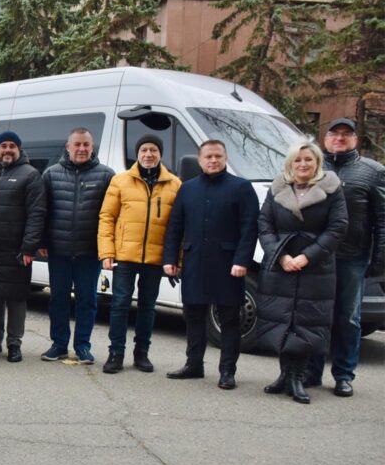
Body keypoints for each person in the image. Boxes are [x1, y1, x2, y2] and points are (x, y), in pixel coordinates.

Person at [254, 141, 347, 404]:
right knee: (282, 318)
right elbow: (264, 224)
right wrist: (280, 256)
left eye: (308, 160)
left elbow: (338, 228)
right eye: (298, 160)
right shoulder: (278, 188)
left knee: (306, 322)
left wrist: (307, 256)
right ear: (290, 163)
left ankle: (298, 378)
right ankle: (284, 374)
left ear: (317, 163)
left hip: (316, 266)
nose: (303, 164)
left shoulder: (331, 189)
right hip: (281, 263)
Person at [162, 140, 259, 388]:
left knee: (229, 319)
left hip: (229, 266)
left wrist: (242, 260)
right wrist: (170, 258)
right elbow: (175, 226)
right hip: (195, 262)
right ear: (200, 159)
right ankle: (194, 365)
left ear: (225, 158)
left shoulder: (241, 188)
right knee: (193, 316)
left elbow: (249, 229)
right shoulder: (188, 188)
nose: (213, 160)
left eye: (218, 156)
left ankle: (227, 371)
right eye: (208, 156)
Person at [304, 118, 385, 397]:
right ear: (325, 139)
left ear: (355, 140)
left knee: (348, 319)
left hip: (352, 257)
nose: (339, 138)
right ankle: (311, 372)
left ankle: (343, 375)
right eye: (334, 134)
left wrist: (379, 259)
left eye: (346, 134)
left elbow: (382, 219)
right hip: (315, 257)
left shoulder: (373, 172)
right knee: (316, 316)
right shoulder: (312, 165)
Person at [97, 135, 181, 375]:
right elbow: (107, 217)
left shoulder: (174, 184)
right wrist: (107, 252)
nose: (148, 154)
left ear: (160, 154)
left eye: (153, 150)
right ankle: (116, 353)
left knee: (147, 306)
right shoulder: (121, 180)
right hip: (124, 255)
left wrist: (174, 259)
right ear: (138, 153)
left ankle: (141, 353)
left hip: (155, 258)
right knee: (120, 304)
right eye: (144, 149)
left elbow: (178, 226)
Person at [40, 128, 115, 364]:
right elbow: (42, 210)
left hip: (89, 251)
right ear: (68, 146)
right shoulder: (51, 174)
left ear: (92, 147)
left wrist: (108, 249)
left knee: (87, 300)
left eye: (86, 144)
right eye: (77, 144)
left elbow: (112, 215)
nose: (82, 149)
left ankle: (83, 346)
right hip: (59, 250)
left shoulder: (106, 176)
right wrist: (41, 241)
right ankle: (59, 344)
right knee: (58, 299)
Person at [0, 131, 45, 363]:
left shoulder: (31, 175)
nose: (7, 149)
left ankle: (14, 343)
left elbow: (37, 214)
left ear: (19, 149)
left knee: (16, 297)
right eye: (3, 145)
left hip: (17, 250)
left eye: (12, 146)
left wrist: (29, 247)